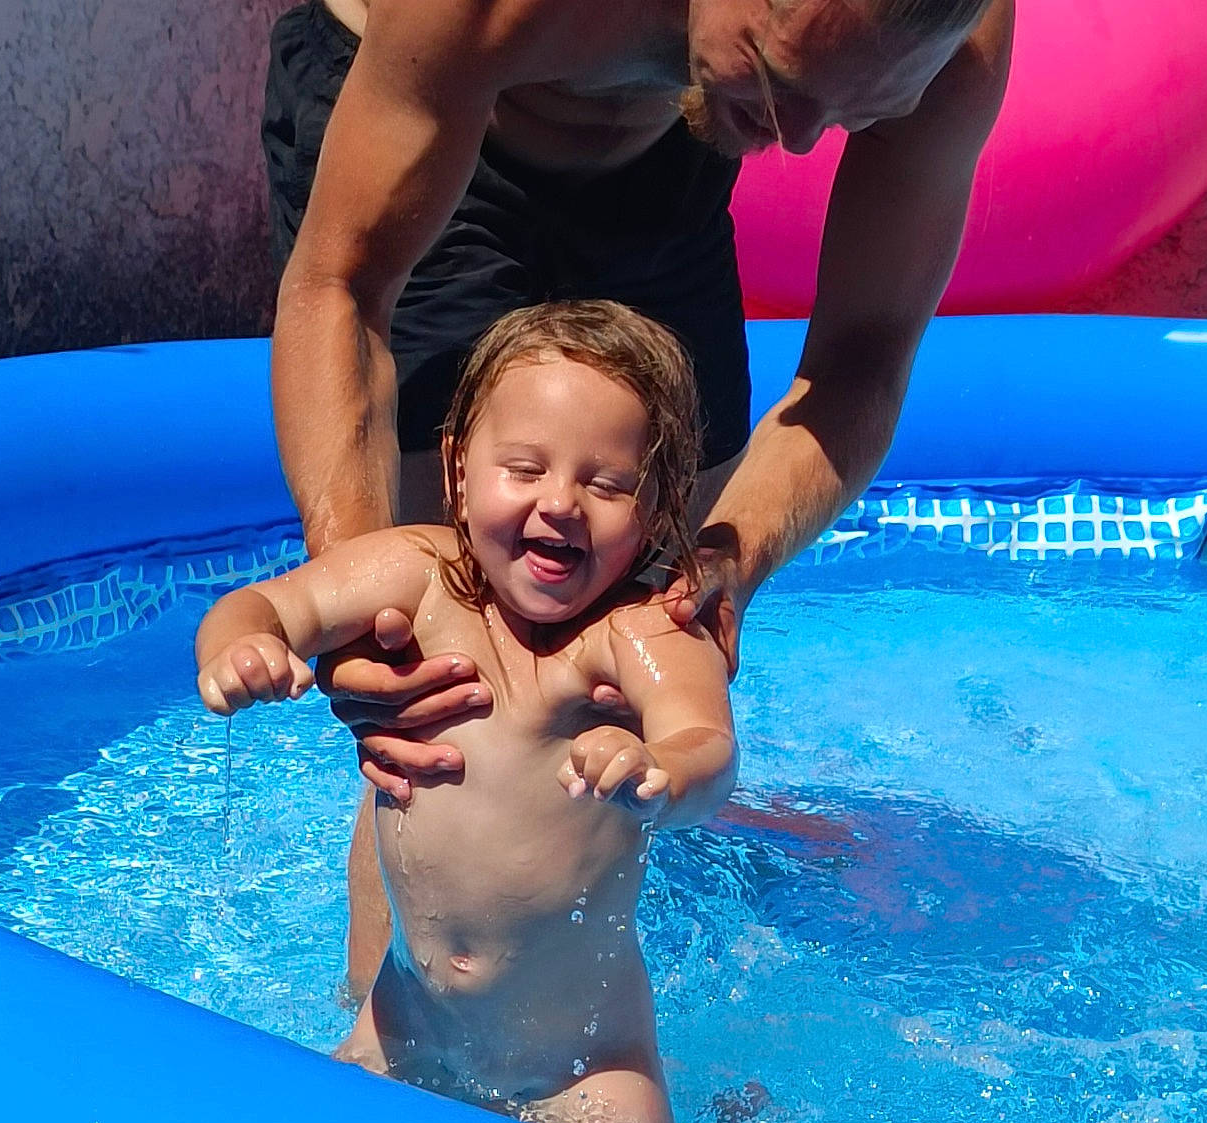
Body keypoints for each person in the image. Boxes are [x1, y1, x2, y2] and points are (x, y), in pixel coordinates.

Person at [262, 0, 1014, 994]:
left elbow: (862, 356)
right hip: (444, 112)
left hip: (673, 148)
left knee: (654, 622)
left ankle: (596, 1040)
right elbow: (343, 292)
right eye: (784, 82)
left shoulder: (950, 33)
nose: (797, 145)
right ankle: (395, 1066)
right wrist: (354, 606)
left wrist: (729, 561)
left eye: (850, 112)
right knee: (437, 683)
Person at [195, 302, 735, 1123]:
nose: (560, 504)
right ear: (456, 471)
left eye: (606, 485)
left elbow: (707, 742)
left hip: (587, 1065)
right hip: (406, 1022)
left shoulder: (643, 632)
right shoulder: (416, 574)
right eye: (523, 469)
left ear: (660, 505)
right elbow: (267, 602)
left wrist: (660, 768)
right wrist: (242, 649)